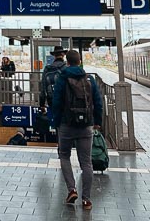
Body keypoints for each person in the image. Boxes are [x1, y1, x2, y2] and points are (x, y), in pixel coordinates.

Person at [50, 50, 103, 210]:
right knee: (86, 162)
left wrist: (56, 123)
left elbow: (56, 102)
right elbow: (98, 103)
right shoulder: (89, 79)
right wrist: (97, 122)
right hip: (86, 125)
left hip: (66, 125)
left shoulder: (62, 78)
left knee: (64, 156)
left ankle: (72, 190)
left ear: (67, 62)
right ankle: (86, 200)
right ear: (80, 61)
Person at [39, 46, 68, 110]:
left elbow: (43, 87)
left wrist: (42, 104)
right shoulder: (65, 68)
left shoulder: (47, 69)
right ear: (63, 55)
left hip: (51, 100)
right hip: (64, 101)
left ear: (54, 55)